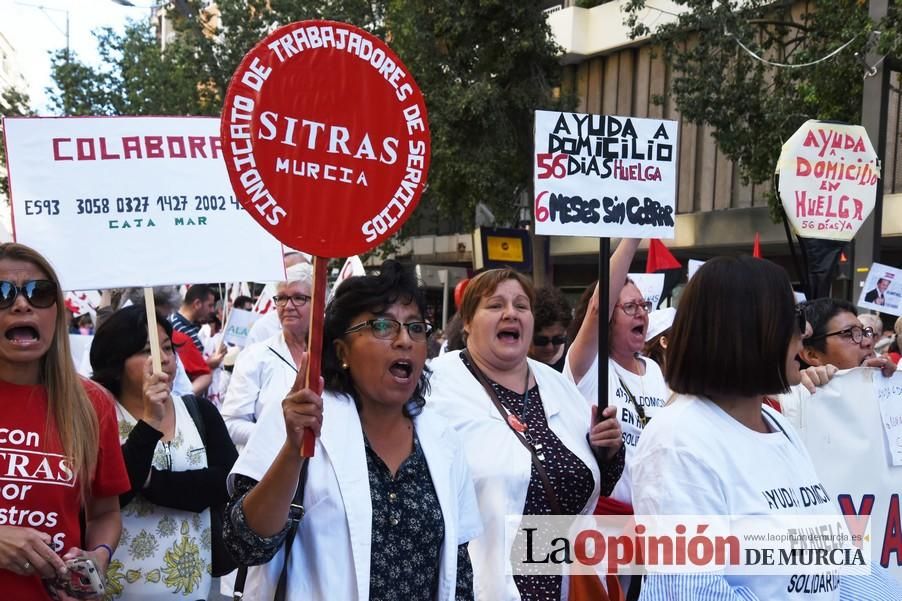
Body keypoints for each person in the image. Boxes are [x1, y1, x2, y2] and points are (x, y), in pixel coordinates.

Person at [631, 256, 902, 600]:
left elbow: (838, 561)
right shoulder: (679, 441)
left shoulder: (776, 425)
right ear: (747, 329)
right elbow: (690, 592)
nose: (805, 332)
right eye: (794, 318)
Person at [223, 261, 481, 600]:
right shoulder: (301, 417)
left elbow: (458, 570)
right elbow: (244, 545)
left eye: (416, 328)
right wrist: (292, 451)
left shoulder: (442, 438)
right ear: (342, 350)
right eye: (384, 325)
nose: (405, 340)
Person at [427, 268, 624, 600]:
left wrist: (606, 451)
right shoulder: (435, 386)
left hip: (567, 583)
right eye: (495, 305)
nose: (511, 313)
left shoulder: (559, 386)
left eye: (521, 305)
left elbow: (591, 485)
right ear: (468, 322)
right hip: (482, 585)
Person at [0, 242, 129, 600]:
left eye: (39, 293)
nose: (21, 303)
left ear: (56, 311)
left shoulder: (91, 403)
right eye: (3, 293)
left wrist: (98, 556)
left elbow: (105, 512)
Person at [89, 305, 238, 599]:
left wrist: (153, 483)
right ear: (116, 360)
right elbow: (112, 495)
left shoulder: (199, 411)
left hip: (193, 590)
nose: (164, 360)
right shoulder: (98, 416)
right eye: (147, 351)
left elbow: (227, 482)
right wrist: (150, 423)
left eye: (168, 348)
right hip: (117, 590)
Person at [565, 238, 669, 511]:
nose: (641, 314)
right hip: (602, 517)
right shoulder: (587, 366)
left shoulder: (655, 370)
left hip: (650, 517)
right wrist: (634, 235)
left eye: (643, 306)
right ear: (609, 317)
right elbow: (598, 307)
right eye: (630, 307)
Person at [220, 264, 313, 449]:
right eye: (282, 298)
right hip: (271, 469)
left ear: (319, 303)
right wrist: (285, 436)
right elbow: (231, 423)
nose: (288, 306)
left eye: (298, 298)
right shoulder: (255, 357)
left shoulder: (337, 355)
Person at [528, 286, 572, 371]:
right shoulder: (517, 360)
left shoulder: (573, 357)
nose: (550, 348)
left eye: (558, 339)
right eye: (541, 341)